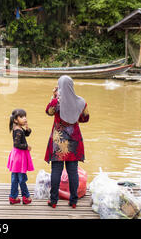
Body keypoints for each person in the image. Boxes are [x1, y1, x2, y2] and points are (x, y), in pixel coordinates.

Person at [44, 75, 89, 209]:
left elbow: (48, 112)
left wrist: (54, 97)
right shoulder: (81, 102)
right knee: (73, 172)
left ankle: (53, 201)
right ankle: (73, 201)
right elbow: (85, 119)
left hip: (58, 141)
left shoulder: (56, 102)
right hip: (74, 140)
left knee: (56, 171)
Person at [7, 109, 34, 205]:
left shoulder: (17, 128)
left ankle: (13, 197)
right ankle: (26, 197)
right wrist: (27, 146)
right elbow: (17, 144)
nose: (25, 118)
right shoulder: (18, 130)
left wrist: (27, 128)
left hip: (16, 156)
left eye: (25, 116)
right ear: (15, 120)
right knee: (22, 178)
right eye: (22, 117)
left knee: (15, 178)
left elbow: (25, 134)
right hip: (20, 157)